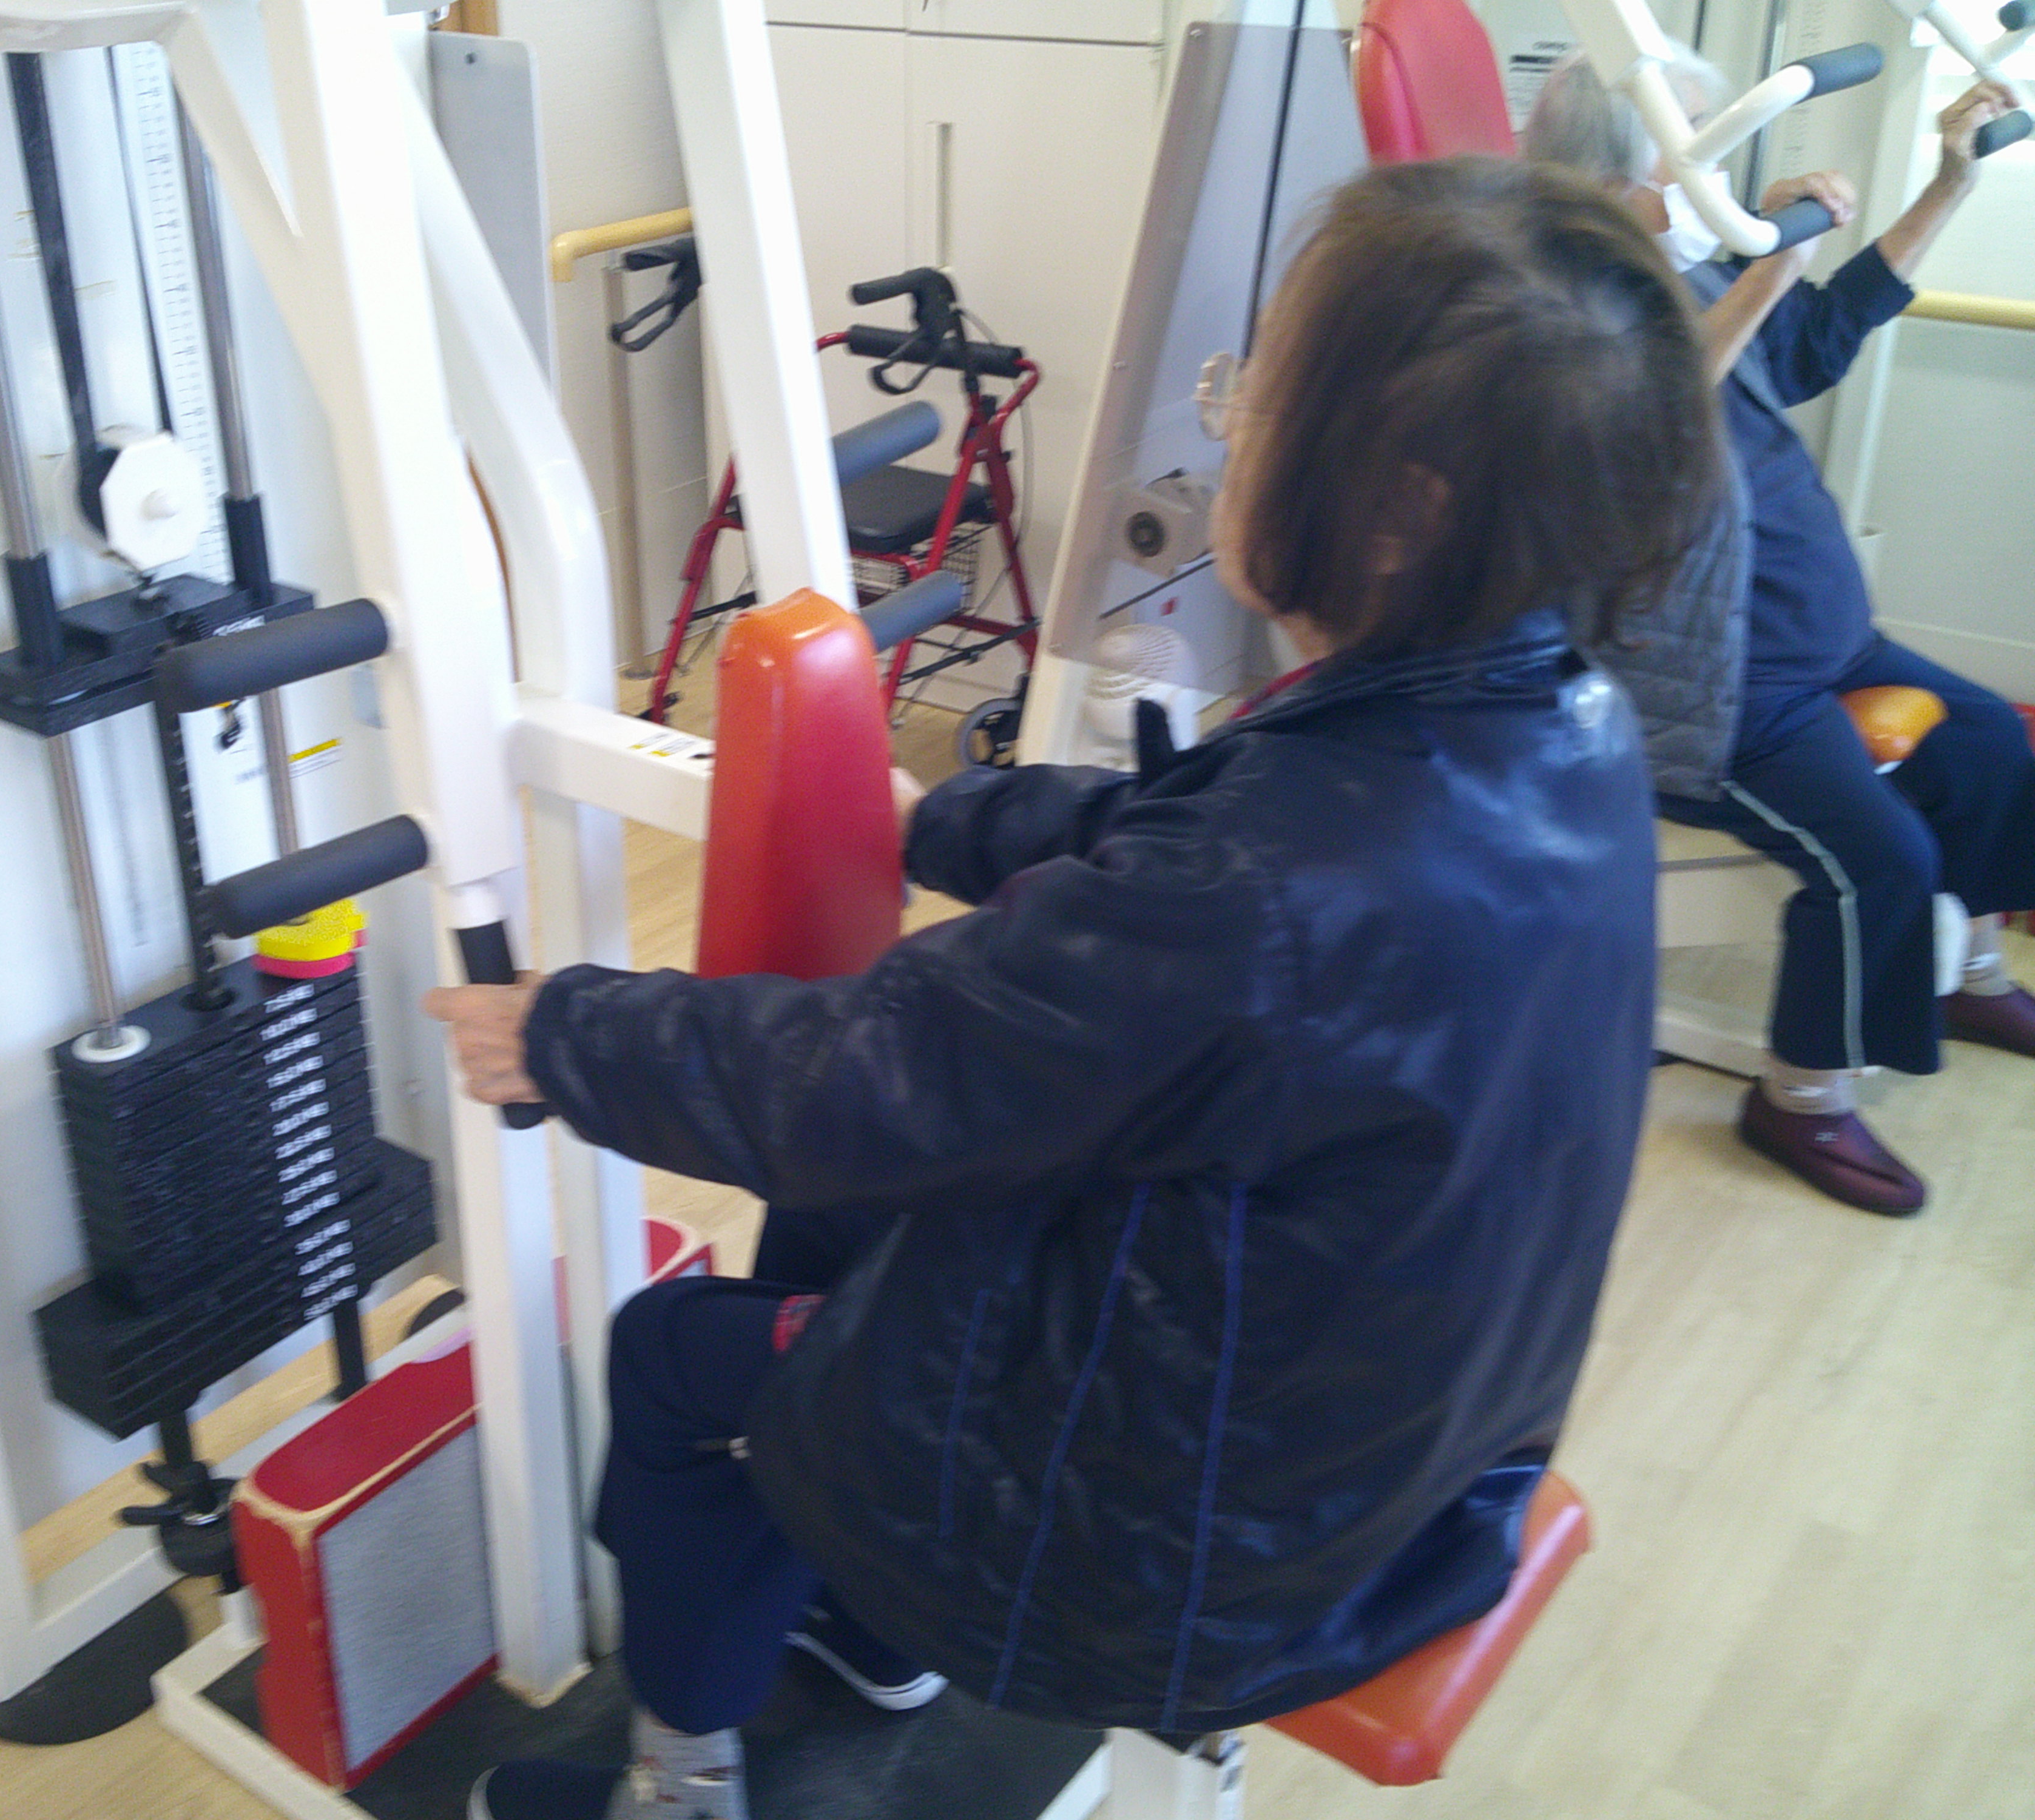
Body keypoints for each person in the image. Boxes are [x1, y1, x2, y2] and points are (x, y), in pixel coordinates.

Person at [428, 157, 1720, 1820]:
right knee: (835, 1223)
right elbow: (1178, 832)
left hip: (1173, 1565)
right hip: (1401, 1471)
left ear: (1395, 508)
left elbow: (862, 1074)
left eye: (1254, 400)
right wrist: (939, 819)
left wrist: (560, 1034)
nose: (1227, 431)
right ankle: (868, 1631)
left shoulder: (1262, 896)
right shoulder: (1550, 725)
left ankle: (675, 1791)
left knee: (675, 1353)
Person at [1525, 53, 2035, 1217]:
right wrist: (1771, 262)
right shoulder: (1560, 305)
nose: (1720, 167)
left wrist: (1947, 183)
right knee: (1876, 861)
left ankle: (1969, 974)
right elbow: (1648, 426)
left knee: (1990, 748)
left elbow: (1816, 338)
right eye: (1697, 141)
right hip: (1721, 699)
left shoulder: (1689, 269)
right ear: (1617, 171)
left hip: (1831, 648)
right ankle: (1800, 1099)